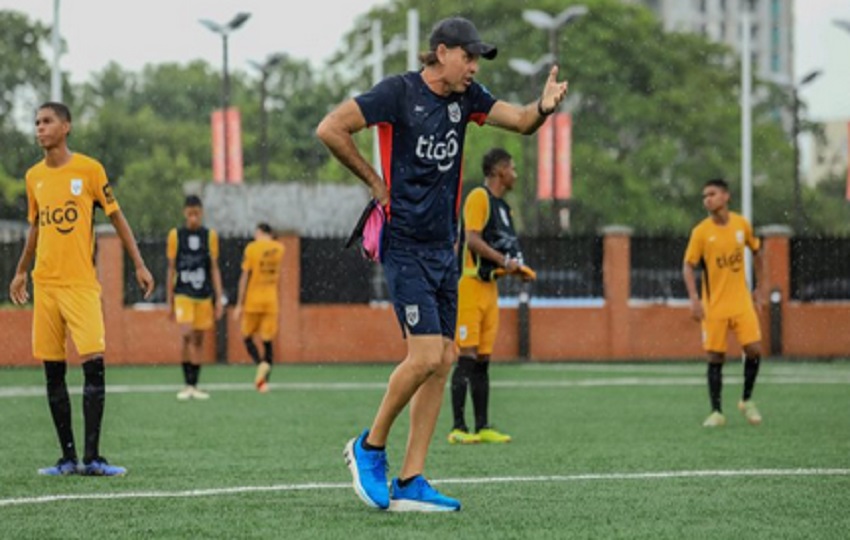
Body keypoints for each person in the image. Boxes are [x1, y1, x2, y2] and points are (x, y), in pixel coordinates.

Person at [316, 16, 567, 512]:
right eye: (469, 57)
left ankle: (411, 479)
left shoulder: (467, 99)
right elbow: (331, 128)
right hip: (405, 245)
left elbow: (519, 121)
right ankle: (368, 447)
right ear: (442, 52)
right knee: (427, 356)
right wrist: (375, 181)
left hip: (443, 250)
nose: (474, 67)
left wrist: (542, 107)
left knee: (446, 359)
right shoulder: (398, 92)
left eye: (477, 60)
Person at [8, 102, 155, 476]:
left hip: (80, 286)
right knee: (53, 372)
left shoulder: (89, 170)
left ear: (66, 127)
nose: (40, 128)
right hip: (46, 285)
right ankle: (67, 458)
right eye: (36, 122)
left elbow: (117, 216)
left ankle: (92, 458)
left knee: (94, 364)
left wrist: (138, 263)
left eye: (47, 121)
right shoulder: (33, 177)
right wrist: (21, 270)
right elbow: (37, 227)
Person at [448, 148, 535, 445]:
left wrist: (515, 269)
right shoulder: (478, 198)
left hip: (490, 289)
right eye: (512, 168)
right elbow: (472, 239)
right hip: (470, 287)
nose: (515, 174)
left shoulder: (503, 208)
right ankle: (458, 427)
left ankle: (482, 425)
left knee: (483, 358)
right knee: (466, 356)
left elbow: (502, 250)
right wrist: (503, 261)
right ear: (499, 171)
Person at [682, 178, 766, 428]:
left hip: (741, 301)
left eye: (712, 194)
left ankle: (746, 399)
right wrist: (694, 299)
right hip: (714, 305)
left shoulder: (741, 224)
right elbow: (688, 265)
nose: (707, 199)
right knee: (715, 356)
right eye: (704, 196)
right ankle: (717, 411)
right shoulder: (701, 232)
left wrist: (760, 287)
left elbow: (757, 251)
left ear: (726, 196)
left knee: (754, 349)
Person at [166, 195, 224, 401]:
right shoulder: (176, 236)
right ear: (184, 213)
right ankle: (186, 383)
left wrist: (219, 298)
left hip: (203, 294)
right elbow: (171, 268)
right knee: (187, 333)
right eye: (190, 214)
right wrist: (169, 299)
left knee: (198, 339)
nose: (193, 218)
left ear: (201, 213)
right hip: (183, 293)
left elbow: (214, 268)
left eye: (196, 214)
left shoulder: (209, 236)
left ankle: (194, 385)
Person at [233, 223, 285, 392]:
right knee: (268, 341)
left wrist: (239, 304)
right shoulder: (279, 249)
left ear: (260, 232)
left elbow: (245, 276)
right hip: (271, 301)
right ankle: (264, 381)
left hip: (252, 301)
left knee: (247, 337)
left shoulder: (252, 249)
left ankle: (260, 364)